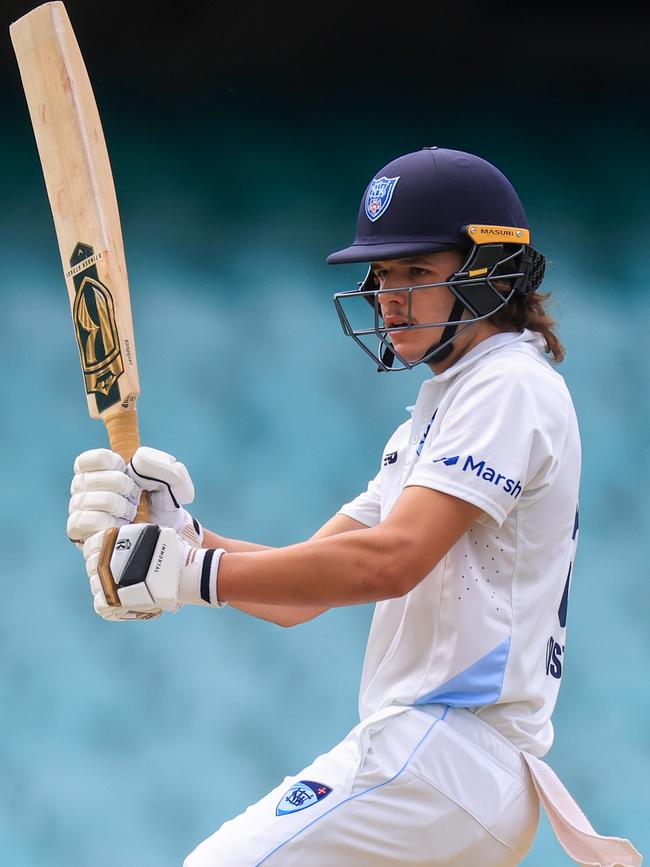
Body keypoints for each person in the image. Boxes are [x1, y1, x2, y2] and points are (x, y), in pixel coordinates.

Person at [67, 147, 641, 866]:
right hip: (447, 769)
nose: (388, 295)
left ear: (493, 272)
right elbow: (299, 592)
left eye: (415, 272)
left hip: (448, 753)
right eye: (382, 274)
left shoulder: (508, 385)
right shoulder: (438, 414)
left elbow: (390, 562)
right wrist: (183, 535)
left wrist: (189, 573)